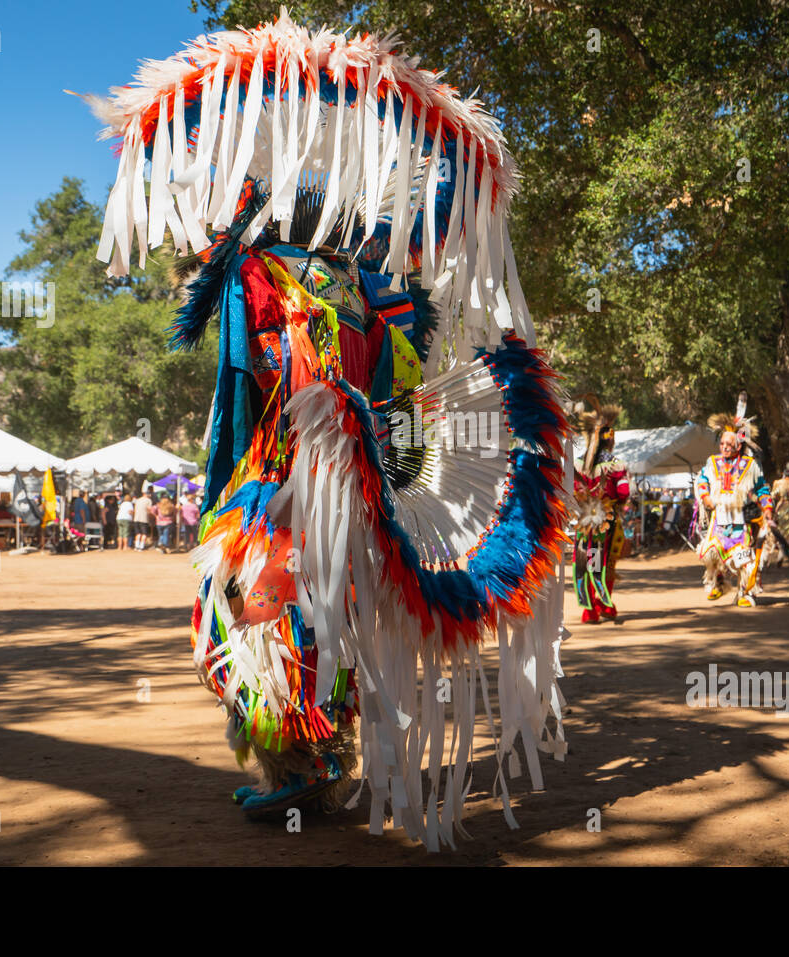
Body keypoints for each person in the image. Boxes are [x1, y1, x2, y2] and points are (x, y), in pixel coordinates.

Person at [83, 12, 571, 848]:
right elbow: (388, 390)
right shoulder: (373, 290)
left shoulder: (267, 276)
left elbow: (261, 384)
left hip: (287, 478)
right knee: (323, 612)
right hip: (352, 482)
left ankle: (301, 771)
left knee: (254, 613)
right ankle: (318, 764)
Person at [696, 393, 774, 606]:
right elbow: (701, 481)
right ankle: (718, 583)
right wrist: (705, 497)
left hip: (741, 519)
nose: (724, 448)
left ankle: (744, 592)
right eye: (722, 444)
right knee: (712, 554)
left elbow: (762, 489)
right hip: (719, 518)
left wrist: (767, 508)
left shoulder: (750, 466)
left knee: (742, 558)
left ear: (738, 445)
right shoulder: (712, 463)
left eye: (729, 445)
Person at [571, 396, 631, 623]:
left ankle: (589, 610)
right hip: (607, 521)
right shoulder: (617, 465)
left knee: (586, 561)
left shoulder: (578, 463)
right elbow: (624, 492)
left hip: (584, 522)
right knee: (605, 562)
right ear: (611, 441)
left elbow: (574, 491)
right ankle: (602, 603)